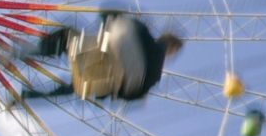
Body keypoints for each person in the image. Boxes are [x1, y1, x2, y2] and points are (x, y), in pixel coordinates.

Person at [19, 10, 184, 103]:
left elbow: (109, 15)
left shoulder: (143, 31)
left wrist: (105, 24)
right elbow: (134, 95)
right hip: (108, 77)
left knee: (64, 41)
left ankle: (21, 52)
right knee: (76, 89)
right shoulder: (155, 74)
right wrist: (109, 94)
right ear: (171, 50)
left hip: (102, 50)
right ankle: (28, 96)